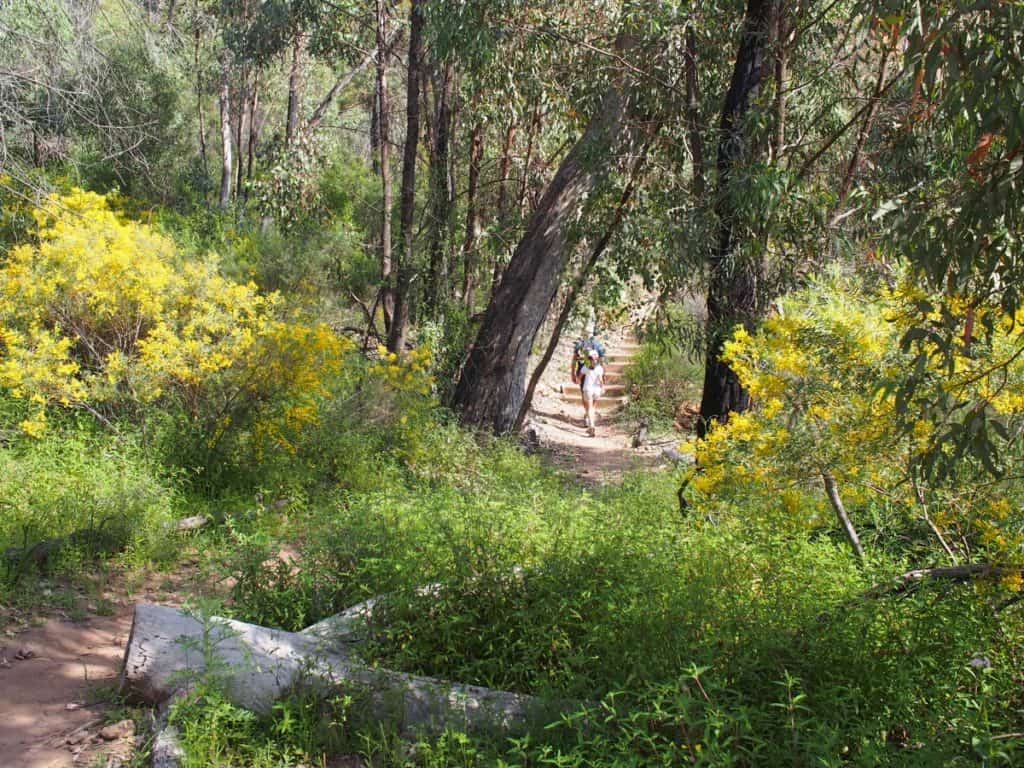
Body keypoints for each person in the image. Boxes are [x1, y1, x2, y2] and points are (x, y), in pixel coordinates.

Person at [579, 349, 604, 436]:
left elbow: (579, 378)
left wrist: (578, 381)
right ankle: (591, 424)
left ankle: (591, 425)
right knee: (593, 408)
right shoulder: (600, 368)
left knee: (589, 408)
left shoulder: (585, 367)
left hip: (587, 389)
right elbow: (601, 380)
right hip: (597, 390)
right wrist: (602, 387)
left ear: (589, 358)